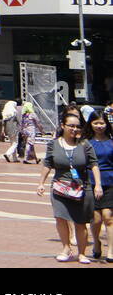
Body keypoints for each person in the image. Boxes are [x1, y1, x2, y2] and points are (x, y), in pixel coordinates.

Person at [37, 110, 101, 263]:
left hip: (82, 188)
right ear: (63, 126)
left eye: (77, 127)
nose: (74, 129)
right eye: (71, 126)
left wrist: (97, 184)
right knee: (60, 218)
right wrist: (41, 183)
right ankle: (66, 248)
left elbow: (94, 164)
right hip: (60, 188)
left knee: (80, 222)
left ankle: (82, 253)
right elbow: (48, 163)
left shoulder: (85, 144)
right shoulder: (54, 144)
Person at [87, 108, 113, 264]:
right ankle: (96, 242)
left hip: (110, 182)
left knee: (108, 217)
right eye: (96, 123)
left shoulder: (111, 142)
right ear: (90, 124)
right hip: (91, 183)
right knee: (96, 219)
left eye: (102, 123)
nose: (99, 126)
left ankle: (111, 249)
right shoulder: (86, 143)